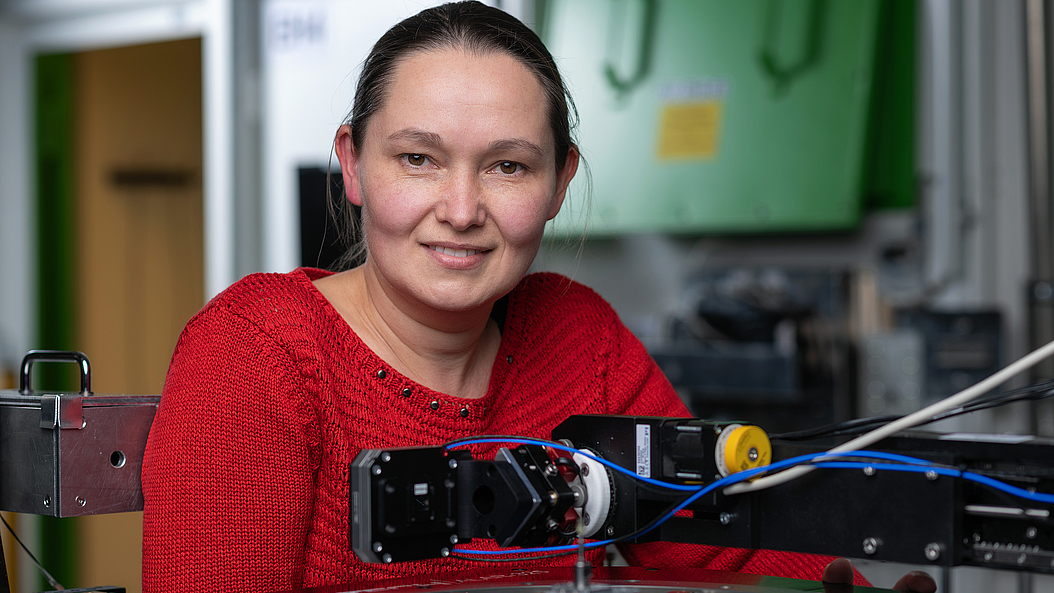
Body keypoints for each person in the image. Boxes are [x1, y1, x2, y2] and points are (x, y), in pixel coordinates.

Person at [141, 2, 935, 592]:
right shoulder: (259, 350)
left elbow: (709, 543)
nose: (460, 209)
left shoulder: (577, 336)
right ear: (352, 166)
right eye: (418, 158)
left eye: (508, 167)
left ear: (560, 182)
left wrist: (851, 583)